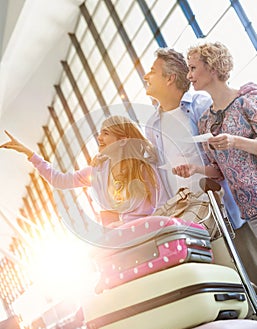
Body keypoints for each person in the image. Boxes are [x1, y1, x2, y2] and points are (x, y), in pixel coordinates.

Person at [172, 42, 257, 285]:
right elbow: (218, 171)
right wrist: (196, 169)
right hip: (250, 209)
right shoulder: (207, 121)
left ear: (213, 68)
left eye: (193, 68)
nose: (188, 76)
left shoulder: (246, 101)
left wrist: (235, 141)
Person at [143, 47, 252, 230]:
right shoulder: (152, 126)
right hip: (189, 218)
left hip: (224, 209)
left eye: (152, 71)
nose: (146, 77)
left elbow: (229, 156)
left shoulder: (201, 105)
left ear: (170, 78)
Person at [0, 115, 159, 228]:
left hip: (146, 231)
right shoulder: (97, 172)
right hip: (122, 236)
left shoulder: (143, 168)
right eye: (100, 133)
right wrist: (29, 154)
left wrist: (128, 224)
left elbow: (159, 205)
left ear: (123, 140)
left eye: (106, 133)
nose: (99, 137)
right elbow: (60, 181)